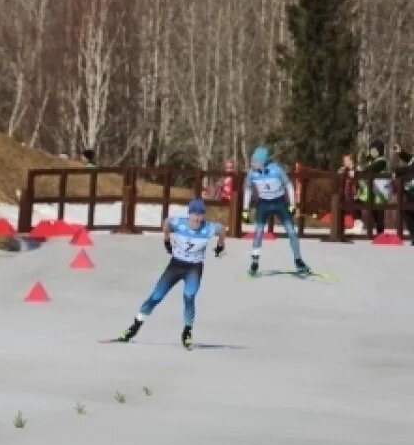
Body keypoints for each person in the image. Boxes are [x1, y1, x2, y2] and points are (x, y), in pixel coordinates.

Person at [116, 198, 226, 350]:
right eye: (194, 214)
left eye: (200, 215)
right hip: (176, 265)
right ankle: (133, 327)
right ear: (189, 215)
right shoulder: (179, 223)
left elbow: (222, 229)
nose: (197, 218)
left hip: (194, 267)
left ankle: (187, 332)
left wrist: (220, 245)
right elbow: (167, 222)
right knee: (156, 296)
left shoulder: (208, 228)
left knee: (189, 296)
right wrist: (167, 239)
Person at [241, 144, 310, 278]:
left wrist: (292, 204)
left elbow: (289, 185)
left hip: (279, 202)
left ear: (263, 161)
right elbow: (248, 190)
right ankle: (254, 263)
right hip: (263, 203)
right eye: (252, 161)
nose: (252, 164)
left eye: (255, 161)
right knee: (258, 232)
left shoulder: (276, 170)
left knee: (291, 231)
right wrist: (245, 209)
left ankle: (298, 261)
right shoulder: (251, 173)